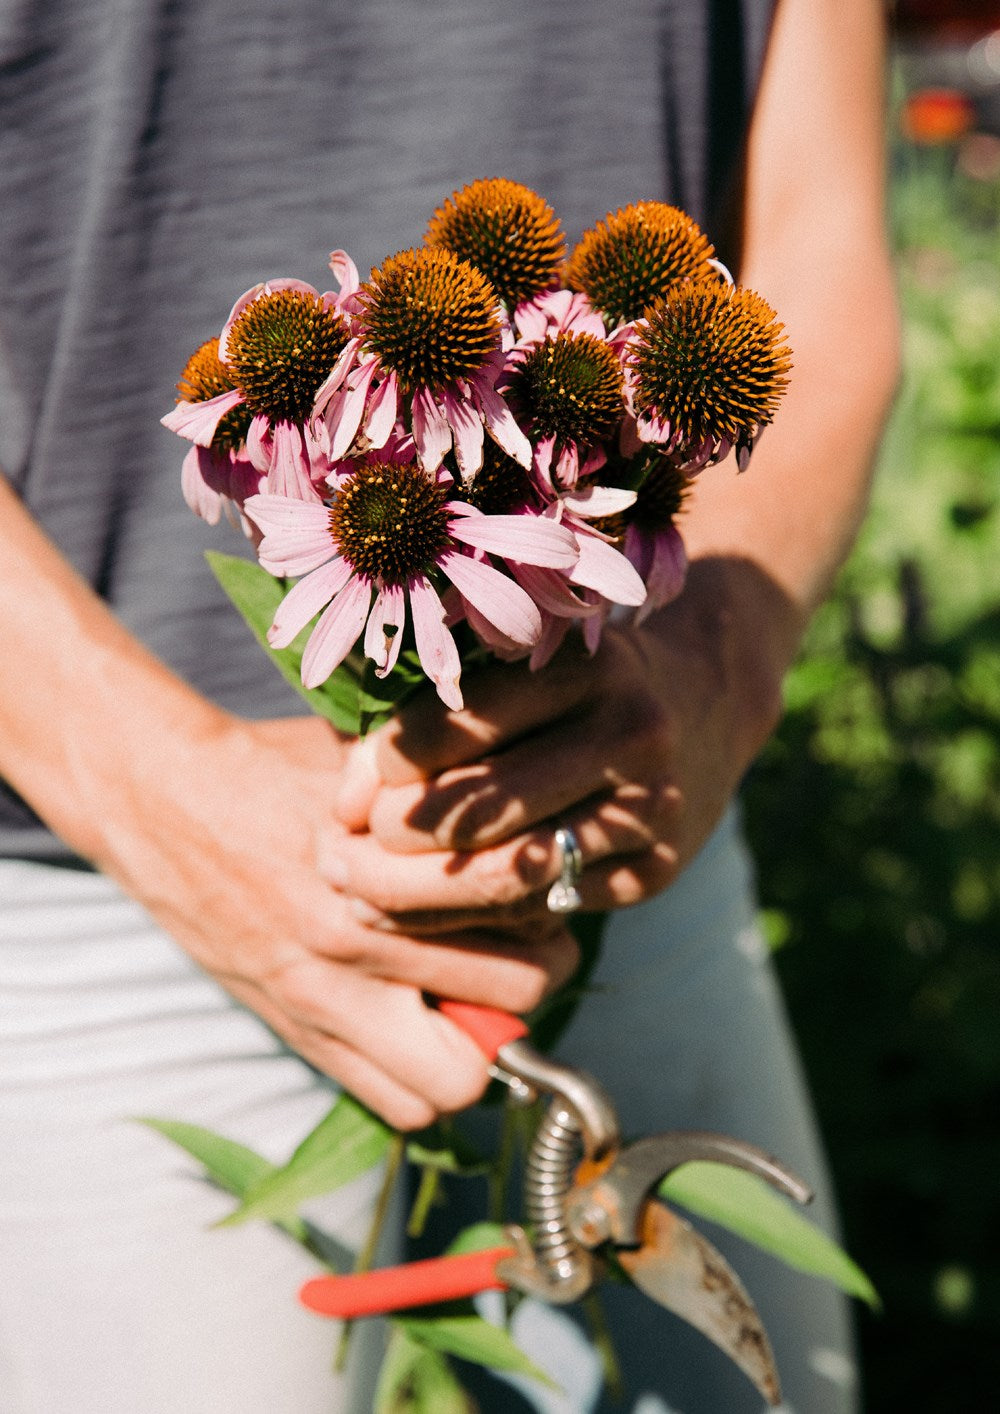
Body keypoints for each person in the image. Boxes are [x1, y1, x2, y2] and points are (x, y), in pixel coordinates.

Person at [0, 0, 898, 1410]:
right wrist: (145, 781)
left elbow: (822, 247)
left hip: (635, 816)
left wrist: (711, 667)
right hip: (101, 886)